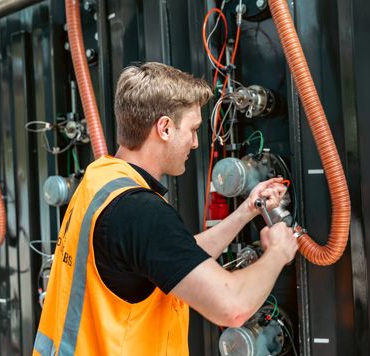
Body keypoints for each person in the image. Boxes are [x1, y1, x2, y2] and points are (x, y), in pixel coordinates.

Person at [33, 62, 298, 356]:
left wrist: (246, 211)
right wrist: (278, 253)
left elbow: (172, 257)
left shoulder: (101, 180)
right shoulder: (141, 212)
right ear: (165, 128)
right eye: (193, 129)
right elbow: (232, 307)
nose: (196, 143)